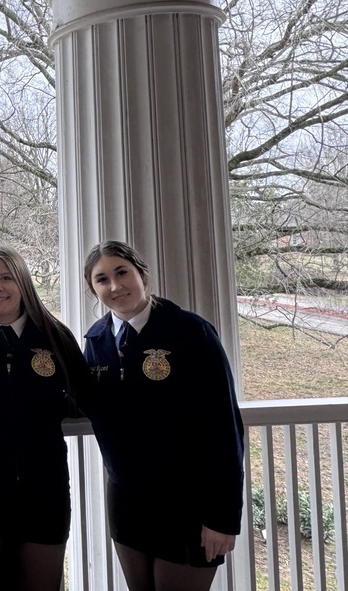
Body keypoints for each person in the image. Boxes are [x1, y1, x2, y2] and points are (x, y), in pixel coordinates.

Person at [82, 240, 244, 591]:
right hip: (127, 502)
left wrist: (223, 517)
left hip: (188, 503)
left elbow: (223, 426)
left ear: (143, 275)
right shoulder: (95, 341)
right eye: (102, 279)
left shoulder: (190, 332)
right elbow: (86, 401)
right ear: (93, 289)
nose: (115, 286)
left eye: (122, 272)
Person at [0, 245, 89, 591]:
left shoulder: (55, 336)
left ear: (23, 282)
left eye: (5, 277)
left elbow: (86, 397)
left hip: (45, 491)